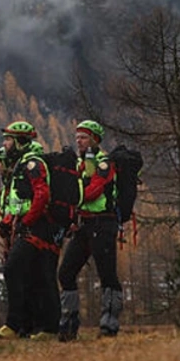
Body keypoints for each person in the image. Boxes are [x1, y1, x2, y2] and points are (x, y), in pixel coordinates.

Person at [0, 121, 59, 339]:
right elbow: (18, 200)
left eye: (8, 139)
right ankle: (32, 326)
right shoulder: (22, 164)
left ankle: (19, 324)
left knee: (17, 270)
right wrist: (9, 222)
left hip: (36, 225)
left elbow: (41, 195)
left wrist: (26, 221)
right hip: (26, 224)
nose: (5, 144)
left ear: (20, 141)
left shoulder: (32, 164)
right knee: (36, 275)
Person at [58, 119, 122, 340]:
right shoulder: (81, 164)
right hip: (84, 224)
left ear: (95, 139)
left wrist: (72, 198)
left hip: (102, 223)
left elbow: (93, 191)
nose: (79, 140)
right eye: (77, 137)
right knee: (66, 272)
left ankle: (109, 325)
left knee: (107, 274)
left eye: (83, 137)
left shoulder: (105, 163)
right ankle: (68, 323)